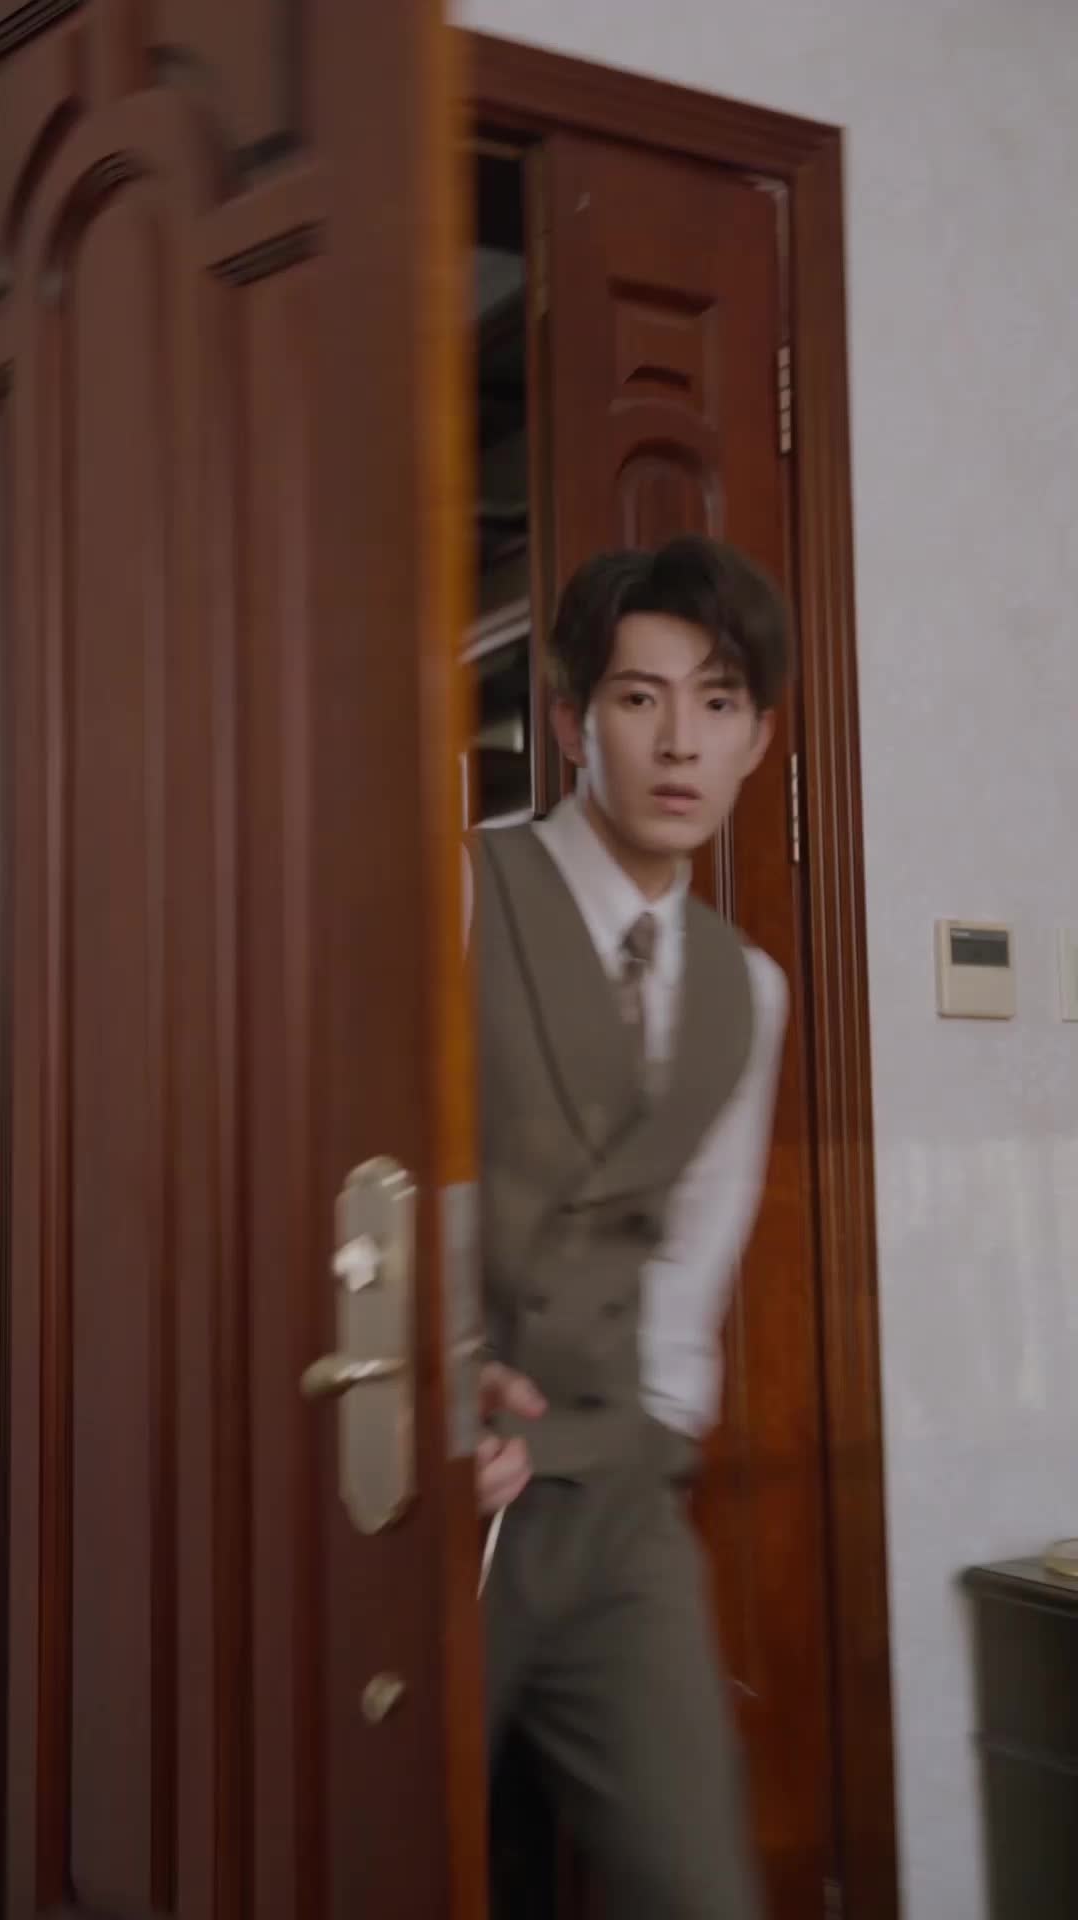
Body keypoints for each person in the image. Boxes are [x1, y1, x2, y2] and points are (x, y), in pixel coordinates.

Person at [472, 534, 789, 1919]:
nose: (679, 743)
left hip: (620, 1499)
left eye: (717, 703)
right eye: (637, 697)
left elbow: (695, 1254)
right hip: (439, 1489)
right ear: (568, 722)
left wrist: (652, 1439)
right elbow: (366, 1184)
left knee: (698, 1886)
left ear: (758, 739)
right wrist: (437, 1393)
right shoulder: (455, 894)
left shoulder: (748, 989)